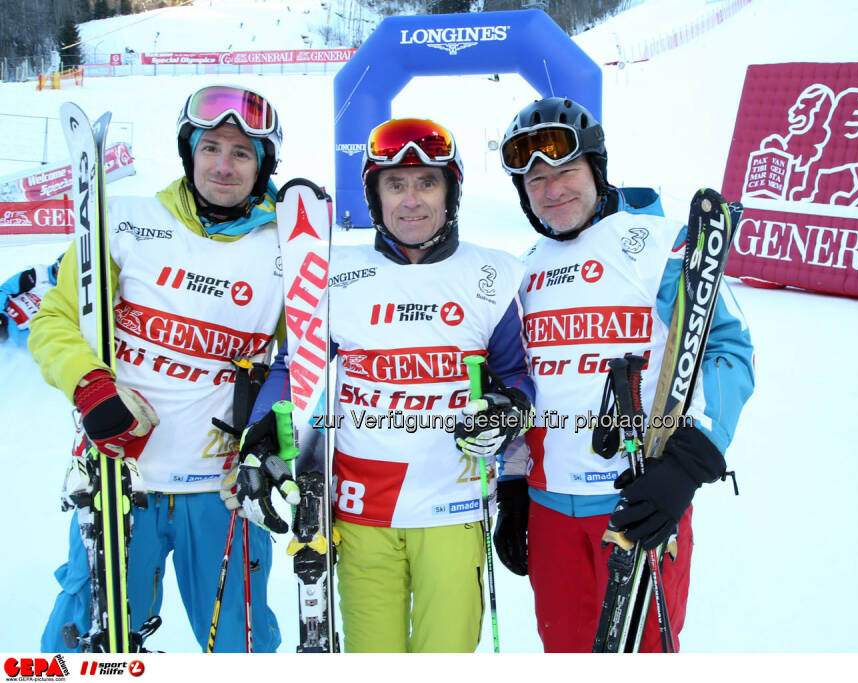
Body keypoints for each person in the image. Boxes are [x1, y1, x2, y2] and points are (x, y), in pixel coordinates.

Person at [249, 117, 535, 652]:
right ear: (375, 196)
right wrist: (265, 426)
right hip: (361, 513)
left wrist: (508, 409)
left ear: (450, 192)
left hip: (454, 508)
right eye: (395, 184)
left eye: (427, 182)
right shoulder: (335, 274)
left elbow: (517, 374)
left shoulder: (492, 274)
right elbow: (295, 368)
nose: (412, 200)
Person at [29, 84, 294, 652]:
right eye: (211, 147)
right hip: (121, 480)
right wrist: (91, 385)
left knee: (242, 645)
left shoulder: (285, 253)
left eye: (242, 153)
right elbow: (53, 320)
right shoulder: (124, 221)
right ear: (189, 151)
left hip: (222, 492)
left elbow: (302, 362)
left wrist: (270, 425)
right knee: (87, 641)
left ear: (263, 165)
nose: (224, 165)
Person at [494, 97, 755, 652]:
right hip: (548, 511)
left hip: (640, 501)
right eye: (535, 179)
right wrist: (512, 485)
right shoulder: (525, 269)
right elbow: (522, 385)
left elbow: (728, 348)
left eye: (566, 171)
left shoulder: (658, 245)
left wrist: (688, 463)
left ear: (597, 168)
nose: (553, 189)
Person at [1, 255, 62, 347]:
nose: (57, 276)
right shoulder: (38, 274)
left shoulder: (70, 295)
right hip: (5, 316)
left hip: (20, 338)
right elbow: (5, 290)